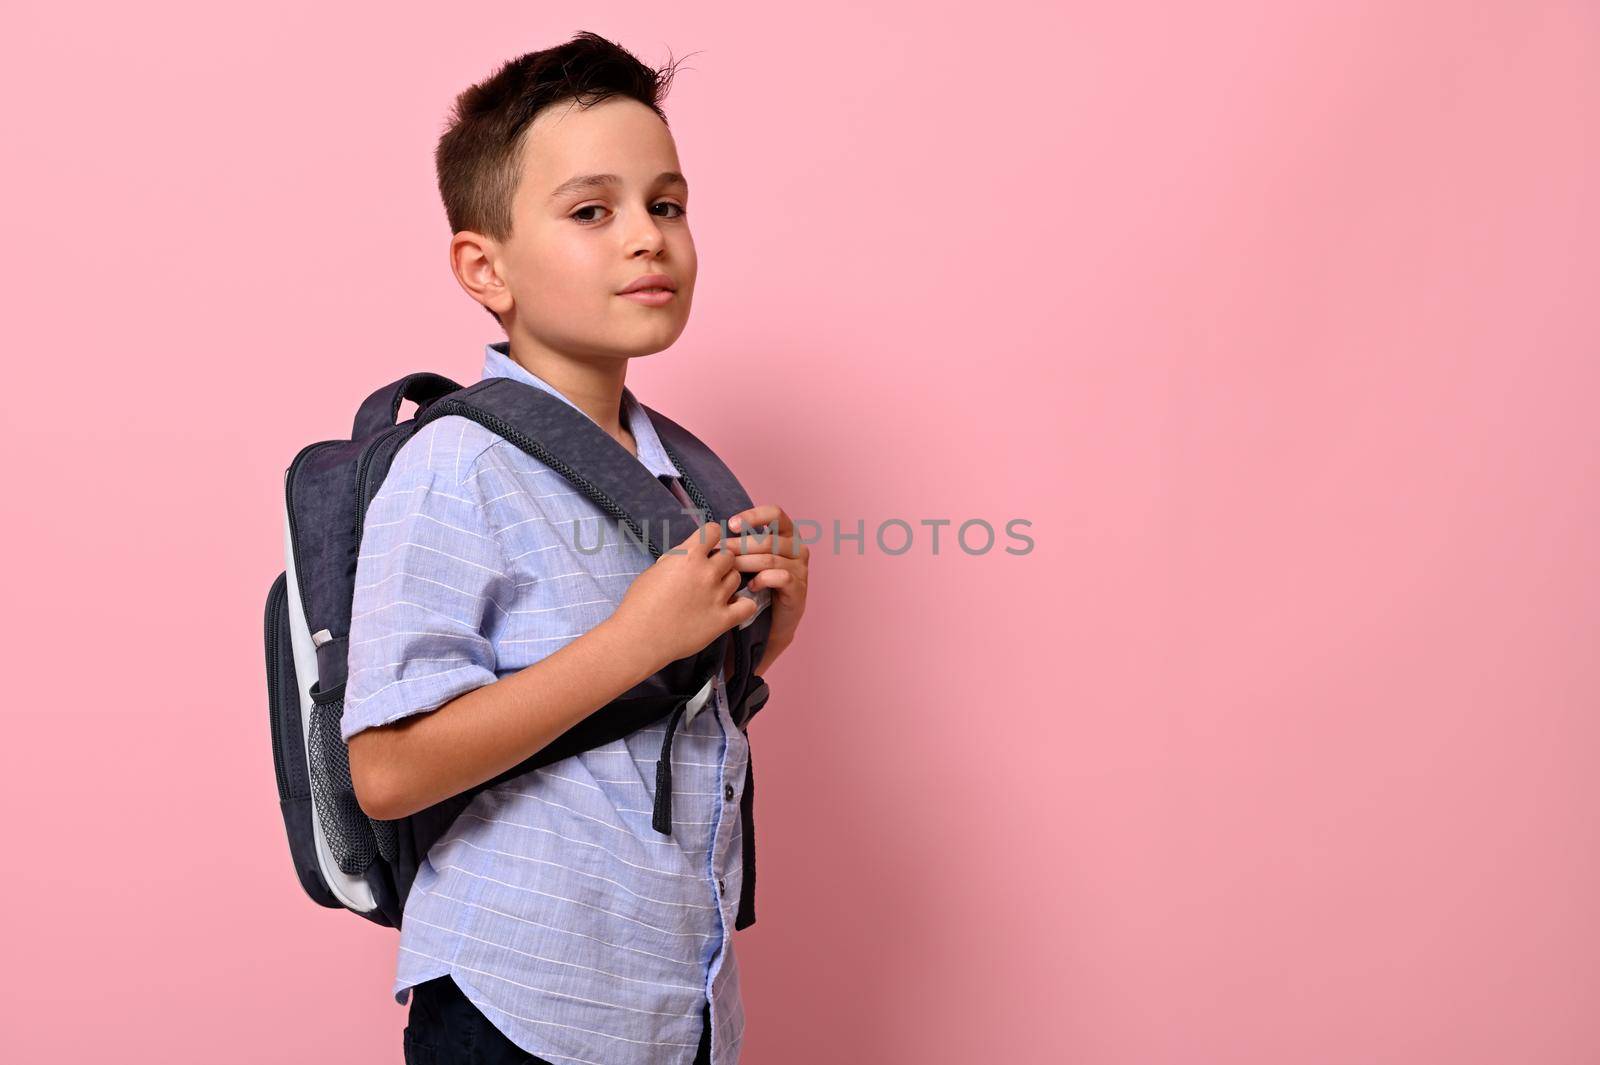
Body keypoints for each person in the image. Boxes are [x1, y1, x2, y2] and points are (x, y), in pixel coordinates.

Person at [339, 31, 810, 1065]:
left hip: (669, 996)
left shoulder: (678, 477)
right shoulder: (455, 463)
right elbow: (385, 770)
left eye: (667, 205)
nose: (646, 238)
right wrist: (640, 638)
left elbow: (663, 717)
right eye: (591, 211)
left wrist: (759, 633)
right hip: (520, 997)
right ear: (484, 266)